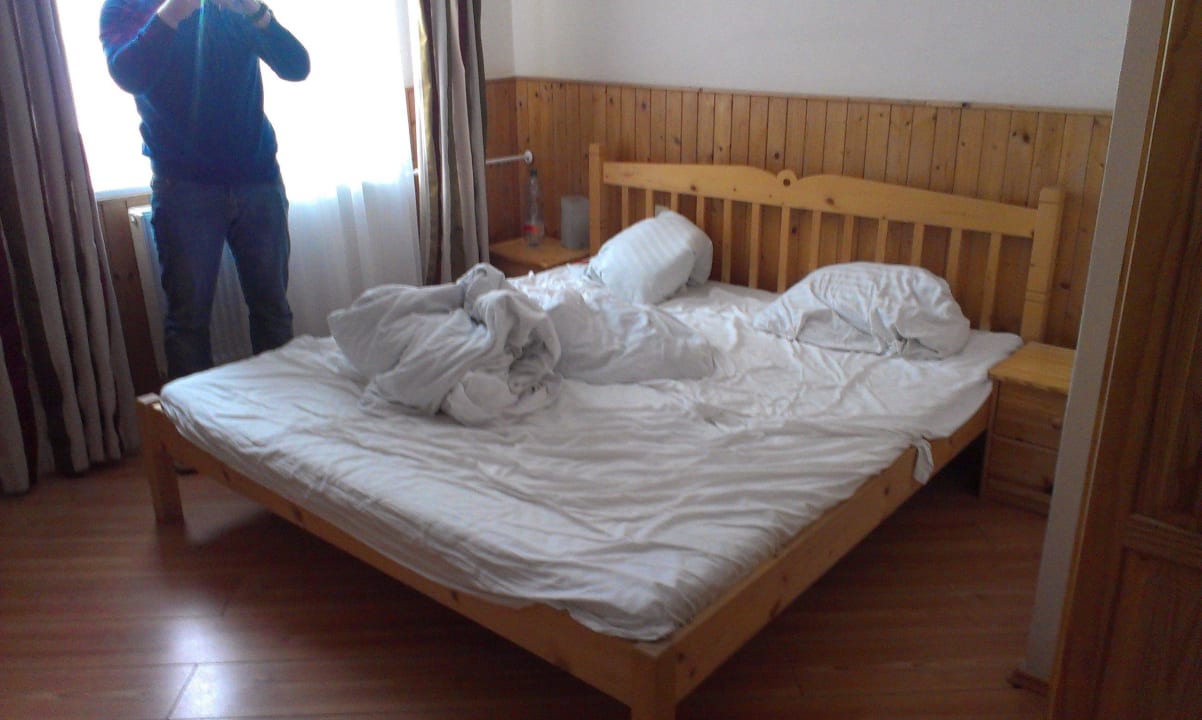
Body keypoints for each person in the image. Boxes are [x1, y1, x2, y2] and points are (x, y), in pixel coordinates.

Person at [101, 0, 310, 379]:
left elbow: (297, 67)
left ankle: (284, 407)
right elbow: (130, 75)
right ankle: (192, 419)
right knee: (188, 324)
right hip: (183, 188)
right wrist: (174, 11)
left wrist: (255, 10)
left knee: (273, 310)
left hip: (258, 178)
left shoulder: (232, 8)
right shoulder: (124, 6)